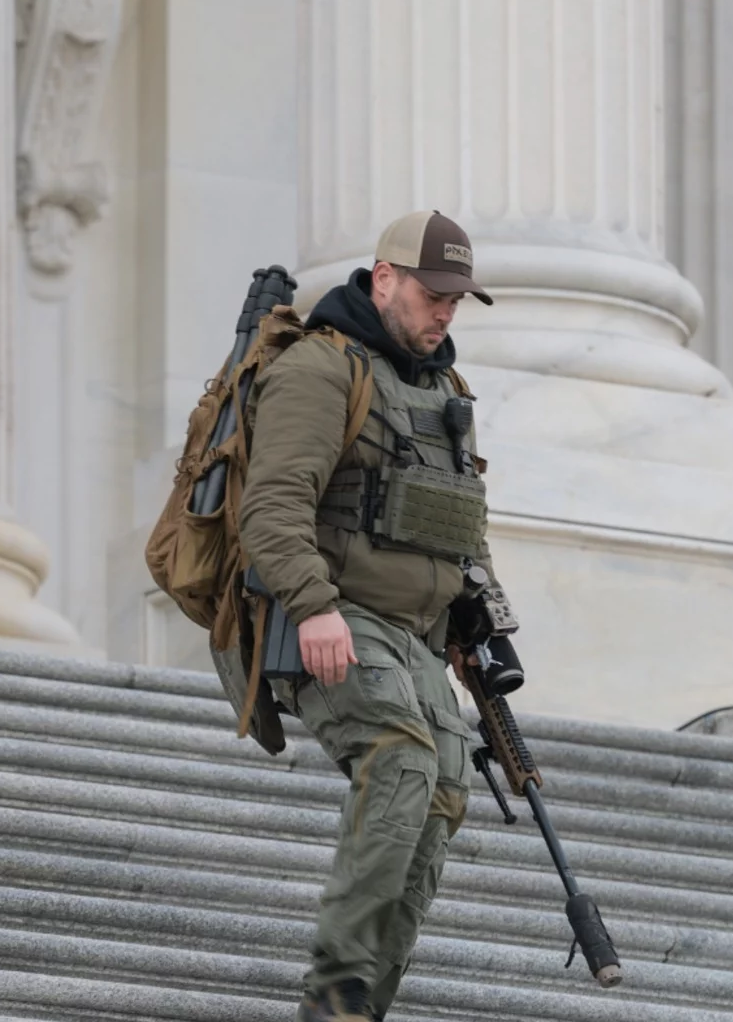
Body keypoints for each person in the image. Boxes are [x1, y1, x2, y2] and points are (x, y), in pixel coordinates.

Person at [239, 211, 508, 1021]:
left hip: (419, 637)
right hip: (337, 616)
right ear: (384, 279)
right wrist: (314, 606)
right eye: (434, 295)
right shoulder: (323, 371)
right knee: (398, 761)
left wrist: (478, 621)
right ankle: (335, 988)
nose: (446, 314)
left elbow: (463, 523)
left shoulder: (444, 390)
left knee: (444, 792)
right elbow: (272, 505)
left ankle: (364, 1002)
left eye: (458, 301)